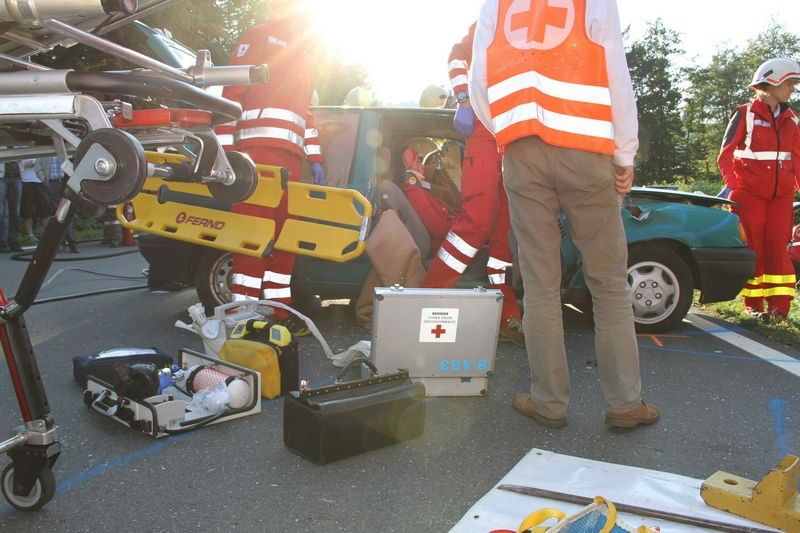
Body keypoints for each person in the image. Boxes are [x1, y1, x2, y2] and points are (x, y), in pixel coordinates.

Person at [471, 0, 658, 429]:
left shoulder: (496, 4)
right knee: (608, 283)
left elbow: (479, 81)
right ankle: (625, 404)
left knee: (539, 284)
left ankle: (549, 402)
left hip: (522, 152)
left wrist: (508, 134)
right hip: (586, 149)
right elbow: (615, 72)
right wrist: (625, 152)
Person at [216, 0, 325, 334]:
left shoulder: (304, 57)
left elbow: (305, 114)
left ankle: (279, 311)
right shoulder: (260, 35)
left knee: (284, 240)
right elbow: (231, 92)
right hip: (256, 155)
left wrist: (315, 158)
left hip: (290, 161)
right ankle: (242, 314)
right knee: (252, 236)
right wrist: (225, 152)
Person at [422, 22, 524, 347]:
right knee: (477, 220)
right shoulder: (496, 15)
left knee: (506, 234)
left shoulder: (540, 24)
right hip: (485, 128)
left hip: (518, 136)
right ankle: (427, 299)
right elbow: (458, 56)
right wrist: (464, 100)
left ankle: (506, 314)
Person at [718, 58, 800, 322]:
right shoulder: (744, 114)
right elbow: (725, 156)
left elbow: (797, 159)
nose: (792, 89)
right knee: (754, 248)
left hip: (781, 197)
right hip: (748, 195)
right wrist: (732, 186)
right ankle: (753, 305)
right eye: (789, 83)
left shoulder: (793, 119)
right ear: (773, 82)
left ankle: (779, 309)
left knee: (779, 248)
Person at [399, 147, 459, 254]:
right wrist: (461, 224)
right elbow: (438, 229)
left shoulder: (416, 186)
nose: (423, 166)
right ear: (410, 166)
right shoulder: (414, 191)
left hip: (449, 236)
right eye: (418, 162)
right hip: (444, 244)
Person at [37, 156, 79, 253]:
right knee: (60, 213)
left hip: (66, 182)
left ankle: (62, 242)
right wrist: (44, 179)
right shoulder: (45, 151)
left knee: (65, 212)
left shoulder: (64, 150)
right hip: (52, 183)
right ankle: (71, 242)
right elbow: (38, 167)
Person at [19, 157, 51, 244]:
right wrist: (26, 165)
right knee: (27, 210)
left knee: (45, 210)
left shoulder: (39, 149)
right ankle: (30, 235)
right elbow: (17, 165)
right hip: (26, 181)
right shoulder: (19, 150)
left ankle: (49, 234)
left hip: (40, 181)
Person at [0, 158, 22, 253]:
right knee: (2, 212)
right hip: (1, 177)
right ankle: (2, 241)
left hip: (16, 177)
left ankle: (13, 241)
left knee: (15, 212)